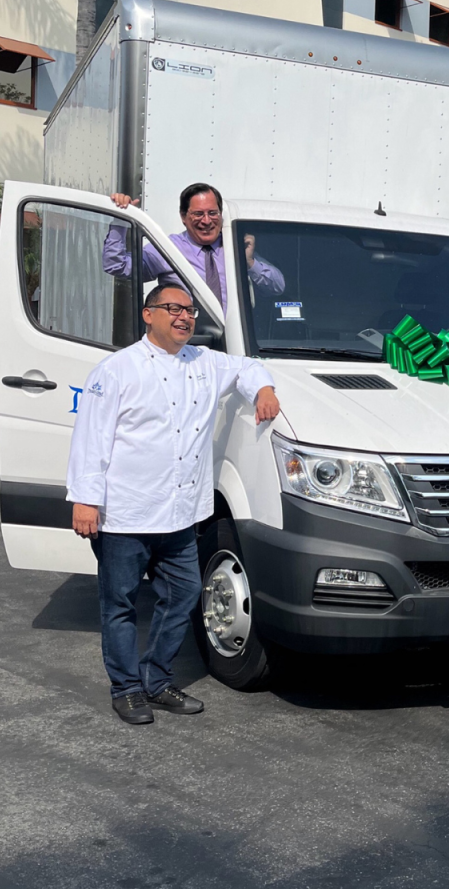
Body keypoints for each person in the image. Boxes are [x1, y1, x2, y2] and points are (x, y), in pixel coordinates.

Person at [67, 284, 280, 725]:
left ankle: (158, 680)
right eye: (173, 308)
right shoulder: (117, 370)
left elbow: (248, 366)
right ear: (148, 315)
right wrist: (86, 501)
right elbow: (91, 439)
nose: (184, 316)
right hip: (123, 513)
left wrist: (264, 391)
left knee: (184, 596)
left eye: (189, 310)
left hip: (180, 516)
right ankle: (126, 688)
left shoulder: (205, 362)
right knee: (120, 604)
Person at [102, 183, 285, 313]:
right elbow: (118, 266)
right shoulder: (169, 248)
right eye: (198, 214)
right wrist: (121, 220)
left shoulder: (235, 246)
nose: (206, 221)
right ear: (183, 217)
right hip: (185, 343)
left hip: (234, 344)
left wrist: (250, 262)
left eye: (212, 213)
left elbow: (277, 287)